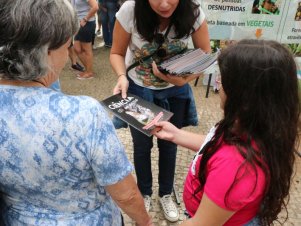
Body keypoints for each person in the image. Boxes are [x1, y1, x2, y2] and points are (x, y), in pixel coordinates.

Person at [0, 0, 153, 225]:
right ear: (48, 50)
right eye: (66, 45)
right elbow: (125, 194)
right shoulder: (84, 115)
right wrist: (146, 222)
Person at [152, 39, 300, 225]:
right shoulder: (254, 128)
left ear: (244, 97)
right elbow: (215, 144)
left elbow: (201, 224)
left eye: (223, 80)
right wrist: (175, 135)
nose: (218, 83)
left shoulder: (235, 168)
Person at [110, 0, 211, 222]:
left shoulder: (192, 11)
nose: (164, 4)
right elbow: (116, 52)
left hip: (174, 92)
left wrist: (183, 79)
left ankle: (166, 193)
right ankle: (144, 192)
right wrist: (121, 77)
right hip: (139, 89)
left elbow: (205, 54)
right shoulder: (130, 10)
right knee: (142, 145)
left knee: (170, 143)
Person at [72, 0, 98, 79]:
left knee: (87, 49)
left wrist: (85, 19)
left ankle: (89, 72)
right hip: (78, 23)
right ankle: (88, 70)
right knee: (77, 48)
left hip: (87, 23)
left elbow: (95, 7)